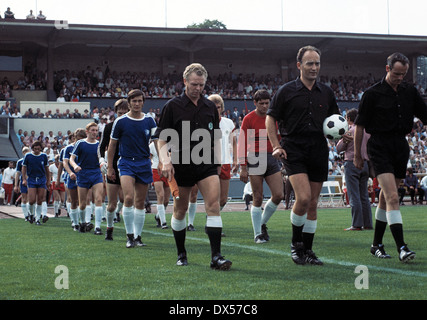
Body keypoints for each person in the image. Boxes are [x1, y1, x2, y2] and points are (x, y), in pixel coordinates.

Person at [266, 45, 340, 265]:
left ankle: (308, 250)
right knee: (304, 198)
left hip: (318, 147)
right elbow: (271, 118)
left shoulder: (326, 92)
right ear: (299, 65)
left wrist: (339, 135)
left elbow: (334, 120)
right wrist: (276, 145)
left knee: (314, 203)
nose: (314, 67)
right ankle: (296, 244)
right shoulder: (286, 91)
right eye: (310, 63)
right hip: (293, 148)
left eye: (317, 63)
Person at [154, 63, 232, 270]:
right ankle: (181, 253)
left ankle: (216, 257)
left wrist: (217, 162)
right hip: (180, 165)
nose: (198, 88)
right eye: (194, 84)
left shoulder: (209, 107)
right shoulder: (172, 106)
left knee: (213, 206)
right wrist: (165, 160)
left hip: (206, 164)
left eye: (201, 85)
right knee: (180, 210)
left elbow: (215, 137)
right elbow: (161, 137)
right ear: (185, 81)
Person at [354, 52, 427, 262]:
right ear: (387, 69)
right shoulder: (372, 94)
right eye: (396, 73)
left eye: (403, 74)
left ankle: (376, 244)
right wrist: (358, 154)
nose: (400, 77)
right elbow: (359, 126)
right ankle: (402, 247)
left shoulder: (409, 91)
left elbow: (425, 115)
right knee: (394, 197)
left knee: (386, 198)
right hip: (379, 146)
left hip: (400, 146)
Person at [108, 89, 157, 248]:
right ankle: (129, 236)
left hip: (144, 163)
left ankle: (138, 236)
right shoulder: (120, 121)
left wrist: (163, 160)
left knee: (140, 202)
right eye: (134, 101)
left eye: (140, 101)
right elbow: (112, 145)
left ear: (143, 102)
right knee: (128, 198)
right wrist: (110, 167)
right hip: (126, 162)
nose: (137, 104)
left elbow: (157, 142)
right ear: (129, 103)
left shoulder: (149, 121)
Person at [238, 89, 283, 243]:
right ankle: (258, 234)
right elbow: (242, 143)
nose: (264, 106)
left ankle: (261, 223)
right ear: (255, 103)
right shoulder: (249, 119)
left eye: (267, 103)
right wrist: (243, 167)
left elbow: (280, 138)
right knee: (257, 197)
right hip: (255, 158)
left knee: (279, 195)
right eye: (261, 103)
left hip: (271, 158)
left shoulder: (274, 118)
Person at [336, 108, 372, 230]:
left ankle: (356, 224)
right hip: (365, 163)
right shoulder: (367, 131)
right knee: (364, 196)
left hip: (352, 163)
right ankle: (368, 223)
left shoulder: (350, 130)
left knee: (354, 195)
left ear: (349, 119)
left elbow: (339, 148)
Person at [98, 99, 129, 240]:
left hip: (129, 166)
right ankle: (109, 228)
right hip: (113, 166)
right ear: (115, 113)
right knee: (111, 204)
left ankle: (133, 234)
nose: (122, 115)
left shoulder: (133, 125)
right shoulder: (109, 127)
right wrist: (102, 161)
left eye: (125, 112)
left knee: (128, 200)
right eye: (119, 113)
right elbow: (101, 146)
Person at [70, 123, 105, 235]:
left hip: (96, 173)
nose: (95, 132)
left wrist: (103, 164)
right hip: (83, 174)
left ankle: (98, 227)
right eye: (93, 130)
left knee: (99, 199)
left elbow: (102, 158)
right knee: (83, 203)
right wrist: (75, 166)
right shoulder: (80, 143)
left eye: (96, 130)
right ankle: (82, 223)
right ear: (87, 131)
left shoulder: (99, 145)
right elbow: (71, 159)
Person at [21, 141, 50, 225]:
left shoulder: (43, 156)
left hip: (41, 179)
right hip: (31, 179)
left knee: (40, 200)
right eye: (35, 149)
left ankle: (37, 219)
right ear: (32, 148)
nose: (37, 150)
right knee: (31, 200)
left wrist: (48, 180)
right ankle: (31, 214)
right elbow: (24, 168)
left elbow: (47, 169)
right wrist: (24, 179)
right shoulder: (28, 156)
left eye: (38, 149)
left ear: (41, 148)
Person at [149, 141, 170, 229]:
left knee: (166, 200)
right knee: (160, 195)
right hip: (156, 170)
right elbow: (149, 158)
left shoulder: (170, 143)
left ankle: (158, 216)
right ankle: (163, 222)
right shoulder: (152, 145)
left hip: (167, 170)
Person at [14, 147, 31, 221]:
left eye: (27, 151)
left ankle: (31, 213)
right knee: (24, 198)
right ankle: (26, 215)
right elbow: (17, 174)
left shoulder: (32, 160)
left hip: (31, 181)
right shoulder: (20, 161)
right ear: (23, 153)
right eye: (24, 151)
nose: (26, 152)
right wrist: (16, 185)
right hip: (23, 182)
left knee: (31, 198)